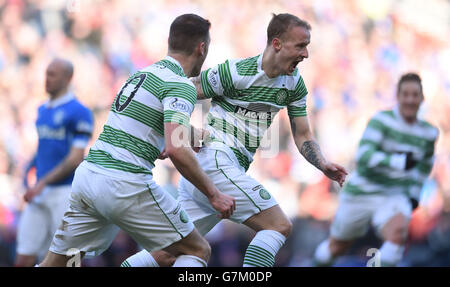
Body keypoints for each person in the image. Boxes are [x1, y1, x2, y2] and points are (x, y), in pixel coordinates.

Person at [122, 13, 347, 268]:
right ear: (277, 44)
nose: (305, 53)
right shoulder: (235, 72)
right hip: (216, 162)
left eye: (307, 46)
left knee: (172, 253)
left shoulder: (294, 85)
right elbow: (179, 91)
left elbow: (303, 134)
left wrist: (322, 164)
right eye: (300, 45)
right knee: (278, 225)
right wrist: (183, 131)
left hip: (208, 173)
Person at [38, 13, 235, 267]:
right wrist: (214, 193)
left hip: (89, 178)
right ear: (202, 48)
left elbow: (152, 127)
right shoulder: (180, 85)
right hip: (124, 184)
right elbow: (176, 148)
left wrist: (188, 136)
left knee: (62, 264)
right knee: (196, 250)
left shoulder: (140, 75)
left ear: (170, 41)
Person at [313, 73, 439, 267]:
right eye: (406, 94)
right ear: (398, 96)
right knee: (337, 247)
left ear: (422, 98)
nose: (410, 99)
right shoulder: (381, 121)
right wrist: (398, 162)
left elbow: (424, 165)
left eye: (415, 95)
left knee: (396, 239)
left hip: (394, 194)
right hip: (363, 191)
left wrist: (414, 194)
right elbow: (363, 156)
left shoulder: (429, 133)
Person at [15, 58, 94, 267]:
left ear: (67, 78)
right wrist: (27, 172)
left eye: (52, 74)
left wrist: (43, 182)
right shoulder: (42, 110)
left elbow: (76, 157)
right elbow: (44, 148)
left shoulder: (80, 111)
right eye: (46, 73)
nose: (46, 79)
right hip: (41, 192)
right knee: (24, 257)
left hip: (66, 192)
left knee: (70, 259)